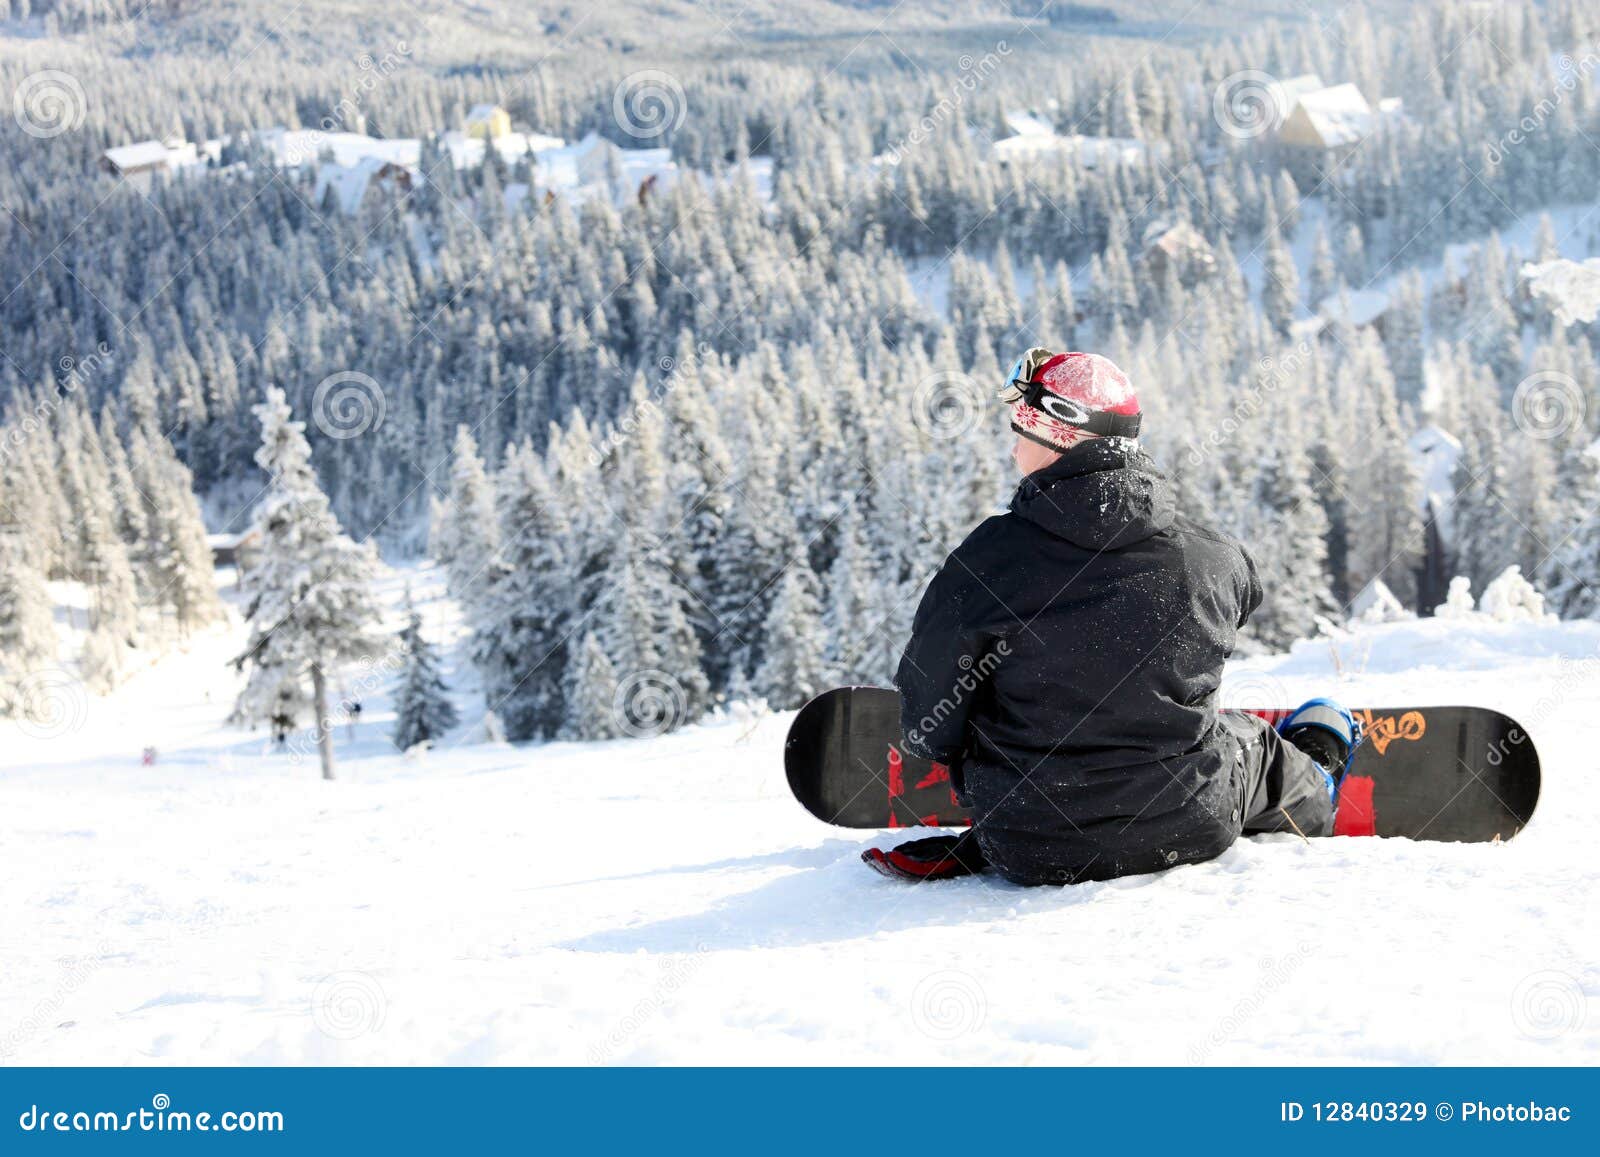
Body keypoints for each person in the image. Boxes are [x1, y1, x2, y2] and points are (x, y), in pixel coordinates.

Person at [868, 348, 1359, 885]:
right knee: (1256, 748)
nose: (1013, 451)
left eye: (1022, 434)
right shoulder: (1213, 557)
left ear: (1060, 436)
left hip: (1029, 844)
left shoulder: (984, 564)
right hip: (1190, 825)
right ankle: (1318, 777)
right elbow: (1243, 598)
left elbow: (927, 722)